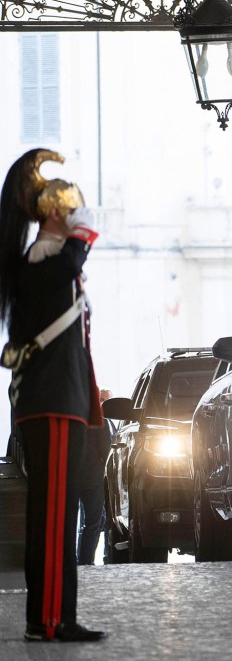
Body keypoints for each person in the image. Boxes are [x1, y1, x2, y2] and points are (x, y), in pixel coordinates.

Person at [0, 149, 106, 643]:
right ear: (57, 215)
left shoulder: (46, 262)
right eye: (71, 208)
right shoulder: (46, 260)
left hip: (56, 400)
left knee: (58, 514)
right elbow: (77, 251)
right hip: (52, 401)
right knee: (53, 514)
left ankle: (54, 617)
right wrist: (78, 225)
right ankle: (48, 620)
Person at [78, 388, 113, 566]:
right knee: (93, 523)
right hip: (93, 479)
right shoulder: (99, 421)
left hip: (73, 477)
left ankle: (79, 560)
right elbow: (106, 451)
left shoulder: (73, 419)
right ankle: (85, 562)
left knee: (88, 522)